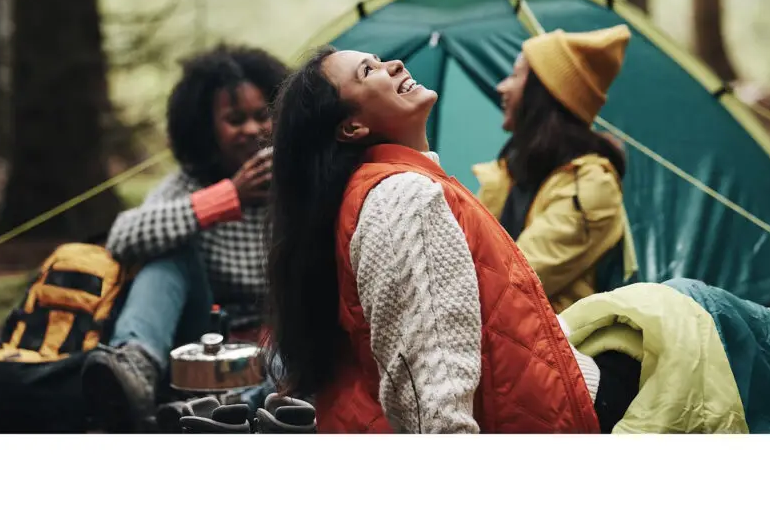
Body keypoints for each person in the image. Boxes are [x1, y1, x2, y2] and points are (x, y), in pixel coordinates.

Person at [266, 46, 610, 434]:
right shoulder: (404, 197)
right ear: (352, 127)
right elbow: (435, 393)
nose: (394, 64)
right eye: (368, 70)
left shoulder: (379, 190)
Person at [81, 44, 290, 432]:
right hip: (198, 345)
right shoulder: (188, 184)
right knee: (167, 251)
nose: (250, 129)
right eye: (234, 119)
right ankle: (134, 368)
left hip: (278, 346)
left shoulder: (299, 182)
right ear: (206, 128)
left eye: (261, 116)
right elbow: (123, 237)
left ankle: (236, 411)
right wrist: (229, 196)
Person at [473, 25, 634, 313]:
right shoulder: (509, 175)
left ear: (542, 92)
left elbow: (514, 281)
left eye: (514, 75)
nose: (501, 87)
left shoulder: (591, 187)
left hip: (558, 353)